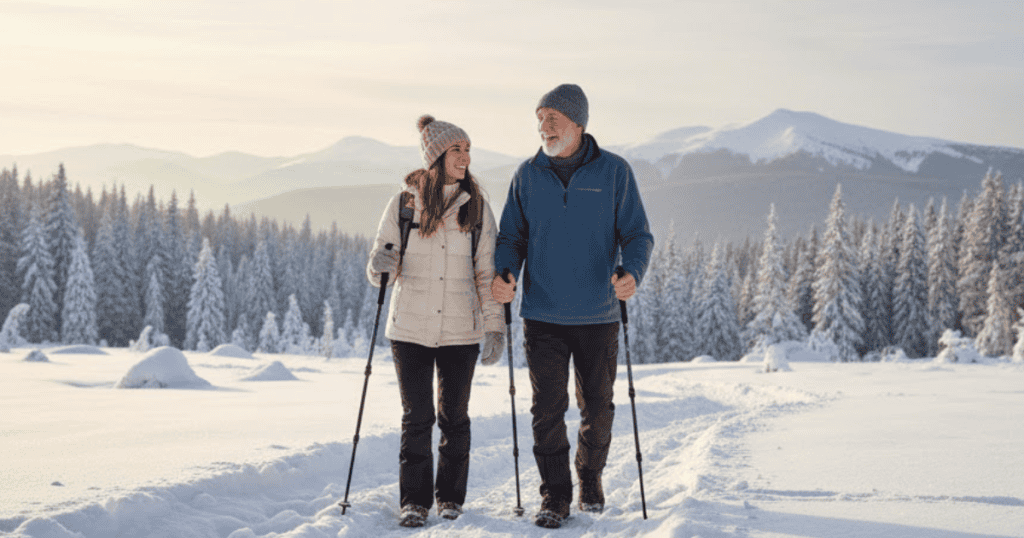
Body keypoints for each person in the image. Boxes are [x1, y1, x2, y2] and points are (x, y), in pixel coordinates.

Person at [491, 84, 654, 528]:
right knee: (546, 409)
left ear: (578, 124)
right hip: (542, 314)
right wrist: (505, 273)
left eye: (553, 119)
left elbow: (637, 235)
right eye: (540, 119)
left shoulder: (615, 172)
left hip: (599, 314)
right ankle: (555, 495)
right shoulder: (527, 174)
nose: (543, 127)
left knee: (598, 407)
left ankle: (590, 476)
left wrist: (631, 273)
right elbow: (511, 237)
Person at [367, 114, 505, 528]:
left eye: (467, 150)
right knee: (417, 418)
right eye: (457, 150)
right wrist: (379, 265)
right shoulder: (405, 203)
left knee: (455, 417)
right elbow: (381, 266)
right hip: (410, 328)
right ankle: (414, 501)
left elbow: (487, 273)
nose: (465, 157)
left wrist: (494, 326)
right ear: (437, 156)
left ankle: (450, 499)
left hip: (461, 329)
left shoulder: (477, 207)